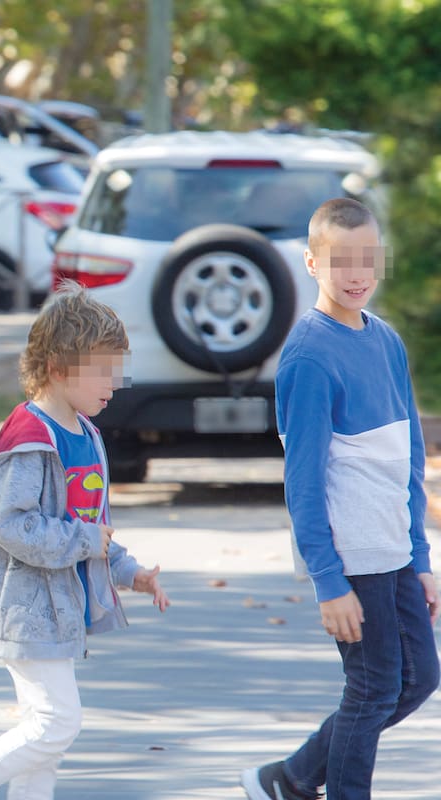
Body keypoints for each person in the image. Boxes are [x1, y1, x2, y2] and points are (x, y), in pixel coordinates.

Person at [0, 282, 170, 800]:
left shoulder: (87, 434)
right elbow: (10, 525)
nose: (113, 384)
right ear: (57, 368)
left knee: (44, 731)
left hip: (60, 607)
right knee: (56, 723)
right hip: (26, 608)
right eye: (101, 371)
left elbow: (91, 525)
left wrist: (127, 571)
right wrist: (86, 542)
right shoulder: (32, 436)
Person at [241, 198, 440, 800]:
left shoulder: (386, 342)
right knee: (374, 687)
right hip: (351, 556)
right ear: (311, 262)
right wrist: (329, 582)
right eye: (341, 261)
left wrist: (421, 557)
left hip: (394, 548)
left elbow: (406, 460)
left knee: (418, 679)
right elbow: (302, 483)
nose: (356, 274)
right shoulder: (307, 357)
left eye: (367, 259)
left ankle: (294, 777)